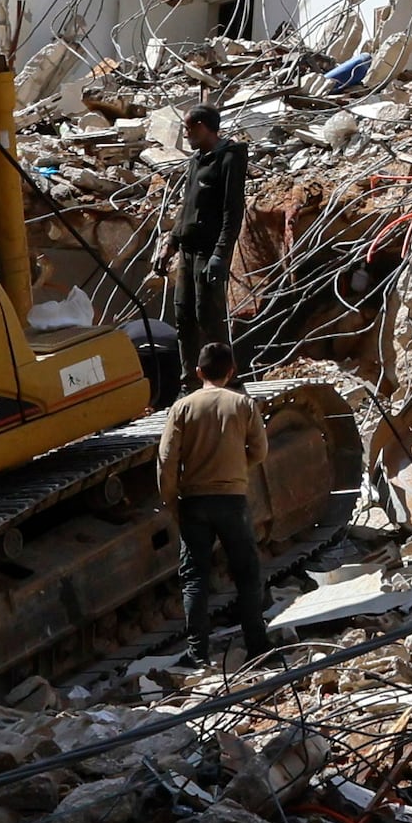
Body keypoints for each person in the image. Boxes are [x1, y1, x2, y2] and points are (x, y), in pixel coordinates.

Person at [154, 342, 273, 663]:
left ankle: (198, 653)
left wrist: (172, 502)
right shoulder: (243, 405)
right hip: (232, 500)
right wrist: (236, 470)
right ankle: (258, 646)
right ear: (231, 371)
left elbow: (166, 461)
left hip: (194, 501)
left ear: (198, 372)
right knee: (247, 573)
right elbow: (260, 451)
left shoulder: (182, 408)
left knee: (195, 578)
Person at [167, 101, 250, 366]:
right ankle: (189, 380)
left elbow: (233, 212)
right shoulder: (196, 161)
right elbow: (186, 208)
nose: (186, 134)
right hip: (187, 252)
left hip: (208, 252)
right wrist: (171, 243)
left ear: (202, 127)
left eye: (188, 128)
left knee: (209, 319)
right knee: (183, 317)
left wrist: (220, 255)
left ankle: (224, 377)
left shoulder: (228, 159)